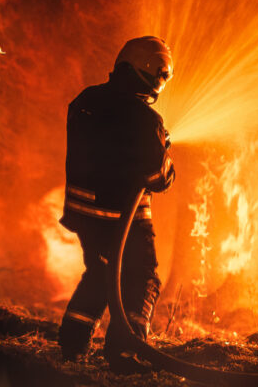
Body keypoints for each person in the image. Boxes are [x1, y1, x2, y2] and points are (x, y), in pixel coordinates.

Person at [57, 36, 176, 373]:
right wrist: (165, 151)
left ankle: (72, 342)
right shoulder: (146, 120)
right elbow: (158, 179)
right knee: (143, 280)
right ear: (152, 73)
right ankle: (127, 351)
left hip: (83, 216)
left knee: (99, 275)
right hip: (124, 221)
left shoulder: (84, 101)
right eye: (162, 76)